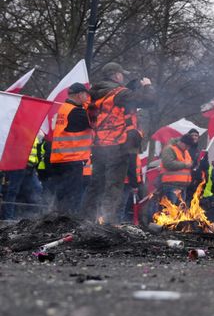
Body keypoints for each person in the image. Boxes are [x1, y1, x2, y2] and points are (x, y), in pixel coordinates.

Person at [84, 63, 155, 221]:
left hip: (98, 146)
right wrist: (147, 86)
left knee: (96, 186)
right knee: (113, 187)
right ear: (116, 75)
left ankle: (87, 221)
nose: (122, 77)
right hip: (117, 146)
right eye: (121, 74)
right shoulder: (119, 93)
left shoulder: (93, 93)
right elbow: (149, 101)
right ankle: (108, 223)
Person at [43, 82, 92, 215]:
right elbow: (94, 121)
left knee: (61, 194)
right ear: (79, 95)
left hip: (59, 159)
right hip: (72, 159)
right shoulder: (77, 112)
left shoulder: (65, 108)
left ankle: (56, 219)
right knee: (72, 197)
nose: (87, 98)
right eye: (85, 95)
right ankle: (67, 222)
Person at [159, 133, 195, 208]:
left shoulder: (185, 151)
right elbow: (168, 164)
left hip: (183, 185)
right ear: (182, 142)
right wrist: (185, 165)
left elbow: (189, 162)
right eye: (186, 146)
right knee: (171, 209)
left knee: (180, 210)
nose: (187, 148)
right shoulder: (169, 149)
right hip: (171, 184)